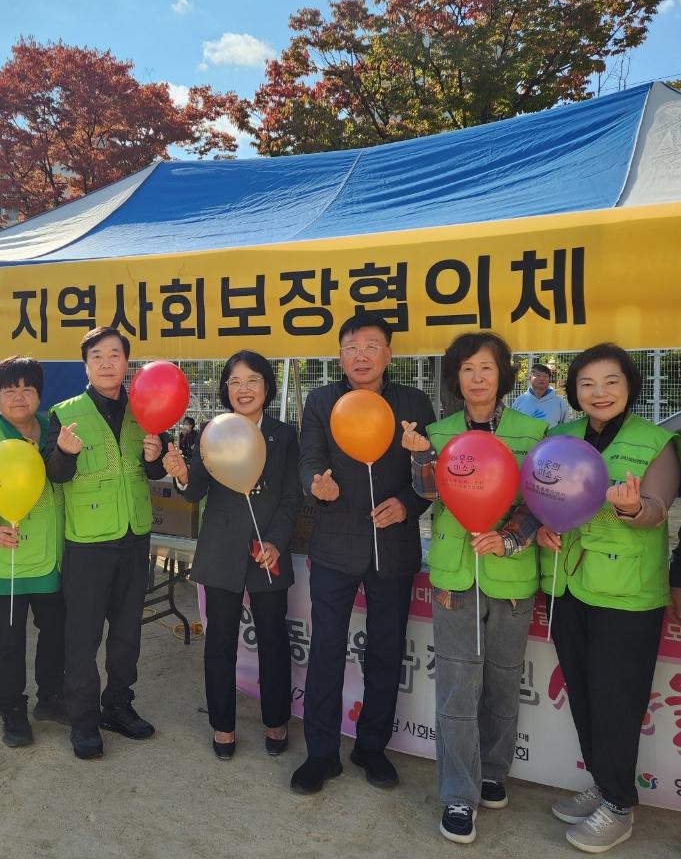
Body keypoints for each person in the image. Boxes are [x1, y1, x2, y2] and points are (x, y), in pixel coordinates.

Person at [401, 331, 547, 845]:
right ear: (456, 377)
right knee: (458, 688)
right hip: (454, 579)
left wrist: (509, 539)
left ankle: (493, 771)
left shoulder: (534, 431)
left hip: (512, 578)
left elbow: (542, 500)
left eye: (487, 367)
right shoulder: (438, 432)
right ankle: (458, 794)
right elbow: (427, 494)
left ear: (503, 374)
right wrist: (420, 456)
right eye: (467, 369)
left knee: (504, 683)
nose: (478, 378)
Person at [536, 344, 680, 854]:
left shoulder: (656, 442)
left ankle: (619, 806)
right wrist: (541, 528)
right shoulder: (560, 437)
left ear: (629, 387)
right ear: (574, 390)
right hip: (568, 584)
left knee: (617, 701)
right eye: (588, 383)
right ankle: (603, 783)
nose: (599, 392)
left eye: (611, 382)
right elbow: (541, 497)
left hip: (626, 595)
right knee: (583, 693)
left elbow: (657, 509)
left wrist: (633, 507)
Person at [290, 312, 436, 794]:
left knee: (386, 650)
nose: (361, 355)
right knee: (326, 650)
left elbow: (429, 471)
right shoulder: (321, 401)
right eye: (351, 347)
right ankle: (321, 754)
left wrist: (408, 504)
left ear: (388, 354)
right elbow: (310, 458)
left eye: (371, 346)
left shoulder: (413, 403)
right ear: (340, 356)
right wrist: (317, 486)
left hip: (394, 547)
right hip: (336, 545)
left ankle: (372, 747)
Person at [163, 350, 301, 760]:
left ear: (267, 386)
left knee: (273, 640)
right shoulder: (213, 431)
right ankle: (222, 725)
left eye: (252, 380)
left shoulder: (284, 436)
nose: (243, 389)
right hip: (221, 550)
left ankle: (276, 719)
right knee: (220, 643)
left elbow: (292, 497)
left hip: (267, 553)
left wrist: (275, 542)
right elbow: (195, 491)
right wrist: (182, 474)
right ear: (226, 389)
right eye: (235, 382)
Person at [45, 326, 168, 760]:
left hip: (134, 537)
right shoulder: (64, 414)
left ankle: (118, 705)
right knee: (83, 636)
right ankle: (83, 722)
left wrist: (155, 459)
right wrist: (64, 452)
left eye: (115, 354)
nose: (106, 363)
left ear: (126, 363)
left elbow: (153, 470)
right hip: (88, 543)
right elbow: (55, 475)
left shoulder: (145, 409)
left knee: (127, 632)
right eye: (97, 356)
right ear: (85, 365)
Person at [0, 356, 67, 748]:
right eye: (10, 390)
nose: (19, 397)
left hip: (51, 558)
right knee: (7, 643)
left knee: (56, 634)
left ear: (39, 394)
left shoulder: (55, 431)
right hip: (3, 561)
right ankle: (13, 711)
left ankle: (51, 698)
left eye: (27, 389)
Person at [511, 363, 569, 428]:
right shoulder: (520, 401)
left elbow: (565, 428)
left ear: (549, 379)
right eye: (538, 375)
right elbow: (512, 425)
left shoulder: (559, 402)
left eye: (545, 376)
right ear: (530, 378)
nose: (542, 378)